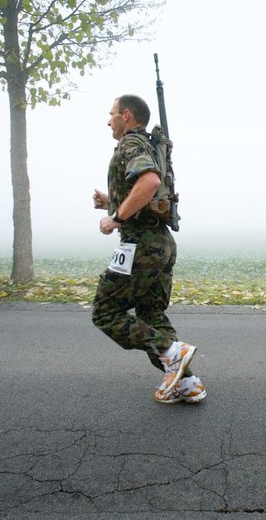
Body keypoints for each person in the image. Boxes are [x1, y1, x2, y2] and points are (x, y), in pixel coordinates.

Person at [92, 94, 206, 404]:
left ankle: (173, 352)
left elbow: (150, 181)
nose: (108, 120)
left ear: (126, 116)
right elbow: (145, 190)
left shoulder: (131, 143)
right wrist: (111, 200)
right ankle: (188, 383)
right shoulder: (150, 144)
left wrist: (115, 217)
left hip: (139, 244)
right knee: (150, 312)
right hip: (162, 242)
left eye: (111, 113)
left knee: (106, 313)